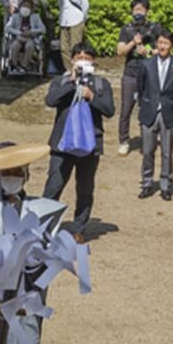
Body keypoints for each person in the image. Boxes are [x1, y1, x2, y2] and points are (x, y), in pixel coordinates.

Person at [42, 47, 112, 231]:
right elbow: (50, 101)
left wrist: (92, 97)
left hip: (90, 145)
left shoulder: (100, 84)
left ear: (93, 61)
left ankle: (79, 228)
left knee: (85, 189)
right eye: (79, 57)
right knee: (53, 186)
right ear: (72, 60)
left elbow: (109, 110)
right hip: (62, 145)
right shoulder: (61, 80)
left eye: (87, 57)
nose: (82, 60)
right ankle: (45, 227)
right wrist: (71, 82)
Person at [134, 31, 173, 200]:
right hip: (149, 110)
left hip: (168, 111)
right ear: (156, 44)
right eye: (160, 42)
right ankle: (147, 183)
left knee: (167, 151)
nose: (163, 46)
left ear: (171, 45)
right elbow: (140, 87)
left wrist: (169, 102)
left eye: (166, 43)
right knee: (148, 150)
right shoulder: (146, 64)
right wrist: (147, 102)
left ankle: (165, 184)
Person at [113, 0, 169, 153]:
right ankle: (124, 141)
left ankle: (147, 139)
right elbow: (120, 51)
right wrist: (133, 43)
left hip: (149, 74)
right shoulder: (126, 29)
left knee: (147, 107)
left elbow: (164, 48)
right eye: (135, 10)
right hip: (130, 74)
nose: (138, 12)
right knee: (126, 109)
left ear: (147, 11)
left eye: (141, 10)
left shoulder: (155, 28)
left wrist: (148, 51)